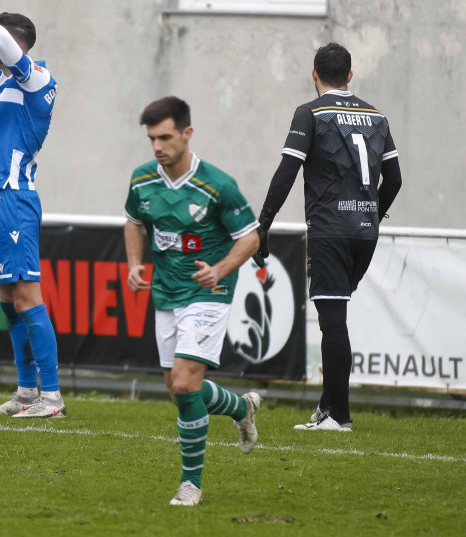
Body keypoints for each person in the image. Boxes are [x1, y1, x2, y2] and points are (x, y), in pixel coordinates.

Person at [254, 43, 402, 432]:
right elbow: (396, 179)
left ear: (314, 75)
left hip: (330, 231)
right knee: (335, 316)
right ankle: (326, 408)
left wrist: (263, 223)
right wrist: (373, 215)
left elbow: (287, 172)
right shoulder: (377, 116)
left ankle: (340, 416)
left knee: (333, 323)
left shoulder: (312, 113)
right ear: (350, 75)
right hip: (365, 233)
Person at [124, 96, 262, 506]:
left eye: (165, 137)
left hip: (209, 292)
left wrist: (220, 269)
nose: (157, 146)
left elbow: (251, 237)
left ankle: (190, 484)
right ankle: (241, 407)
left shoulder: (218, 184)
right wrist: (134, 264)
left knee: (185, 383)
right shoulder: (142, 179)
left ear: (187, 133)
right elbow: (133, 222)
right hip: (166, 293)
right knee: (179, 390)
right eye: (151, 139)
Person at [0, 12, 64, 418]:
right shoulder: (7, 77)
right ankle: (25, 391)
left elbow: (3, 45)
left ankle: (52, 398)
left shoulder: (34, 77)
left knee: (26, 295)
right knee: (8, 298)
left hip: (13, 197)